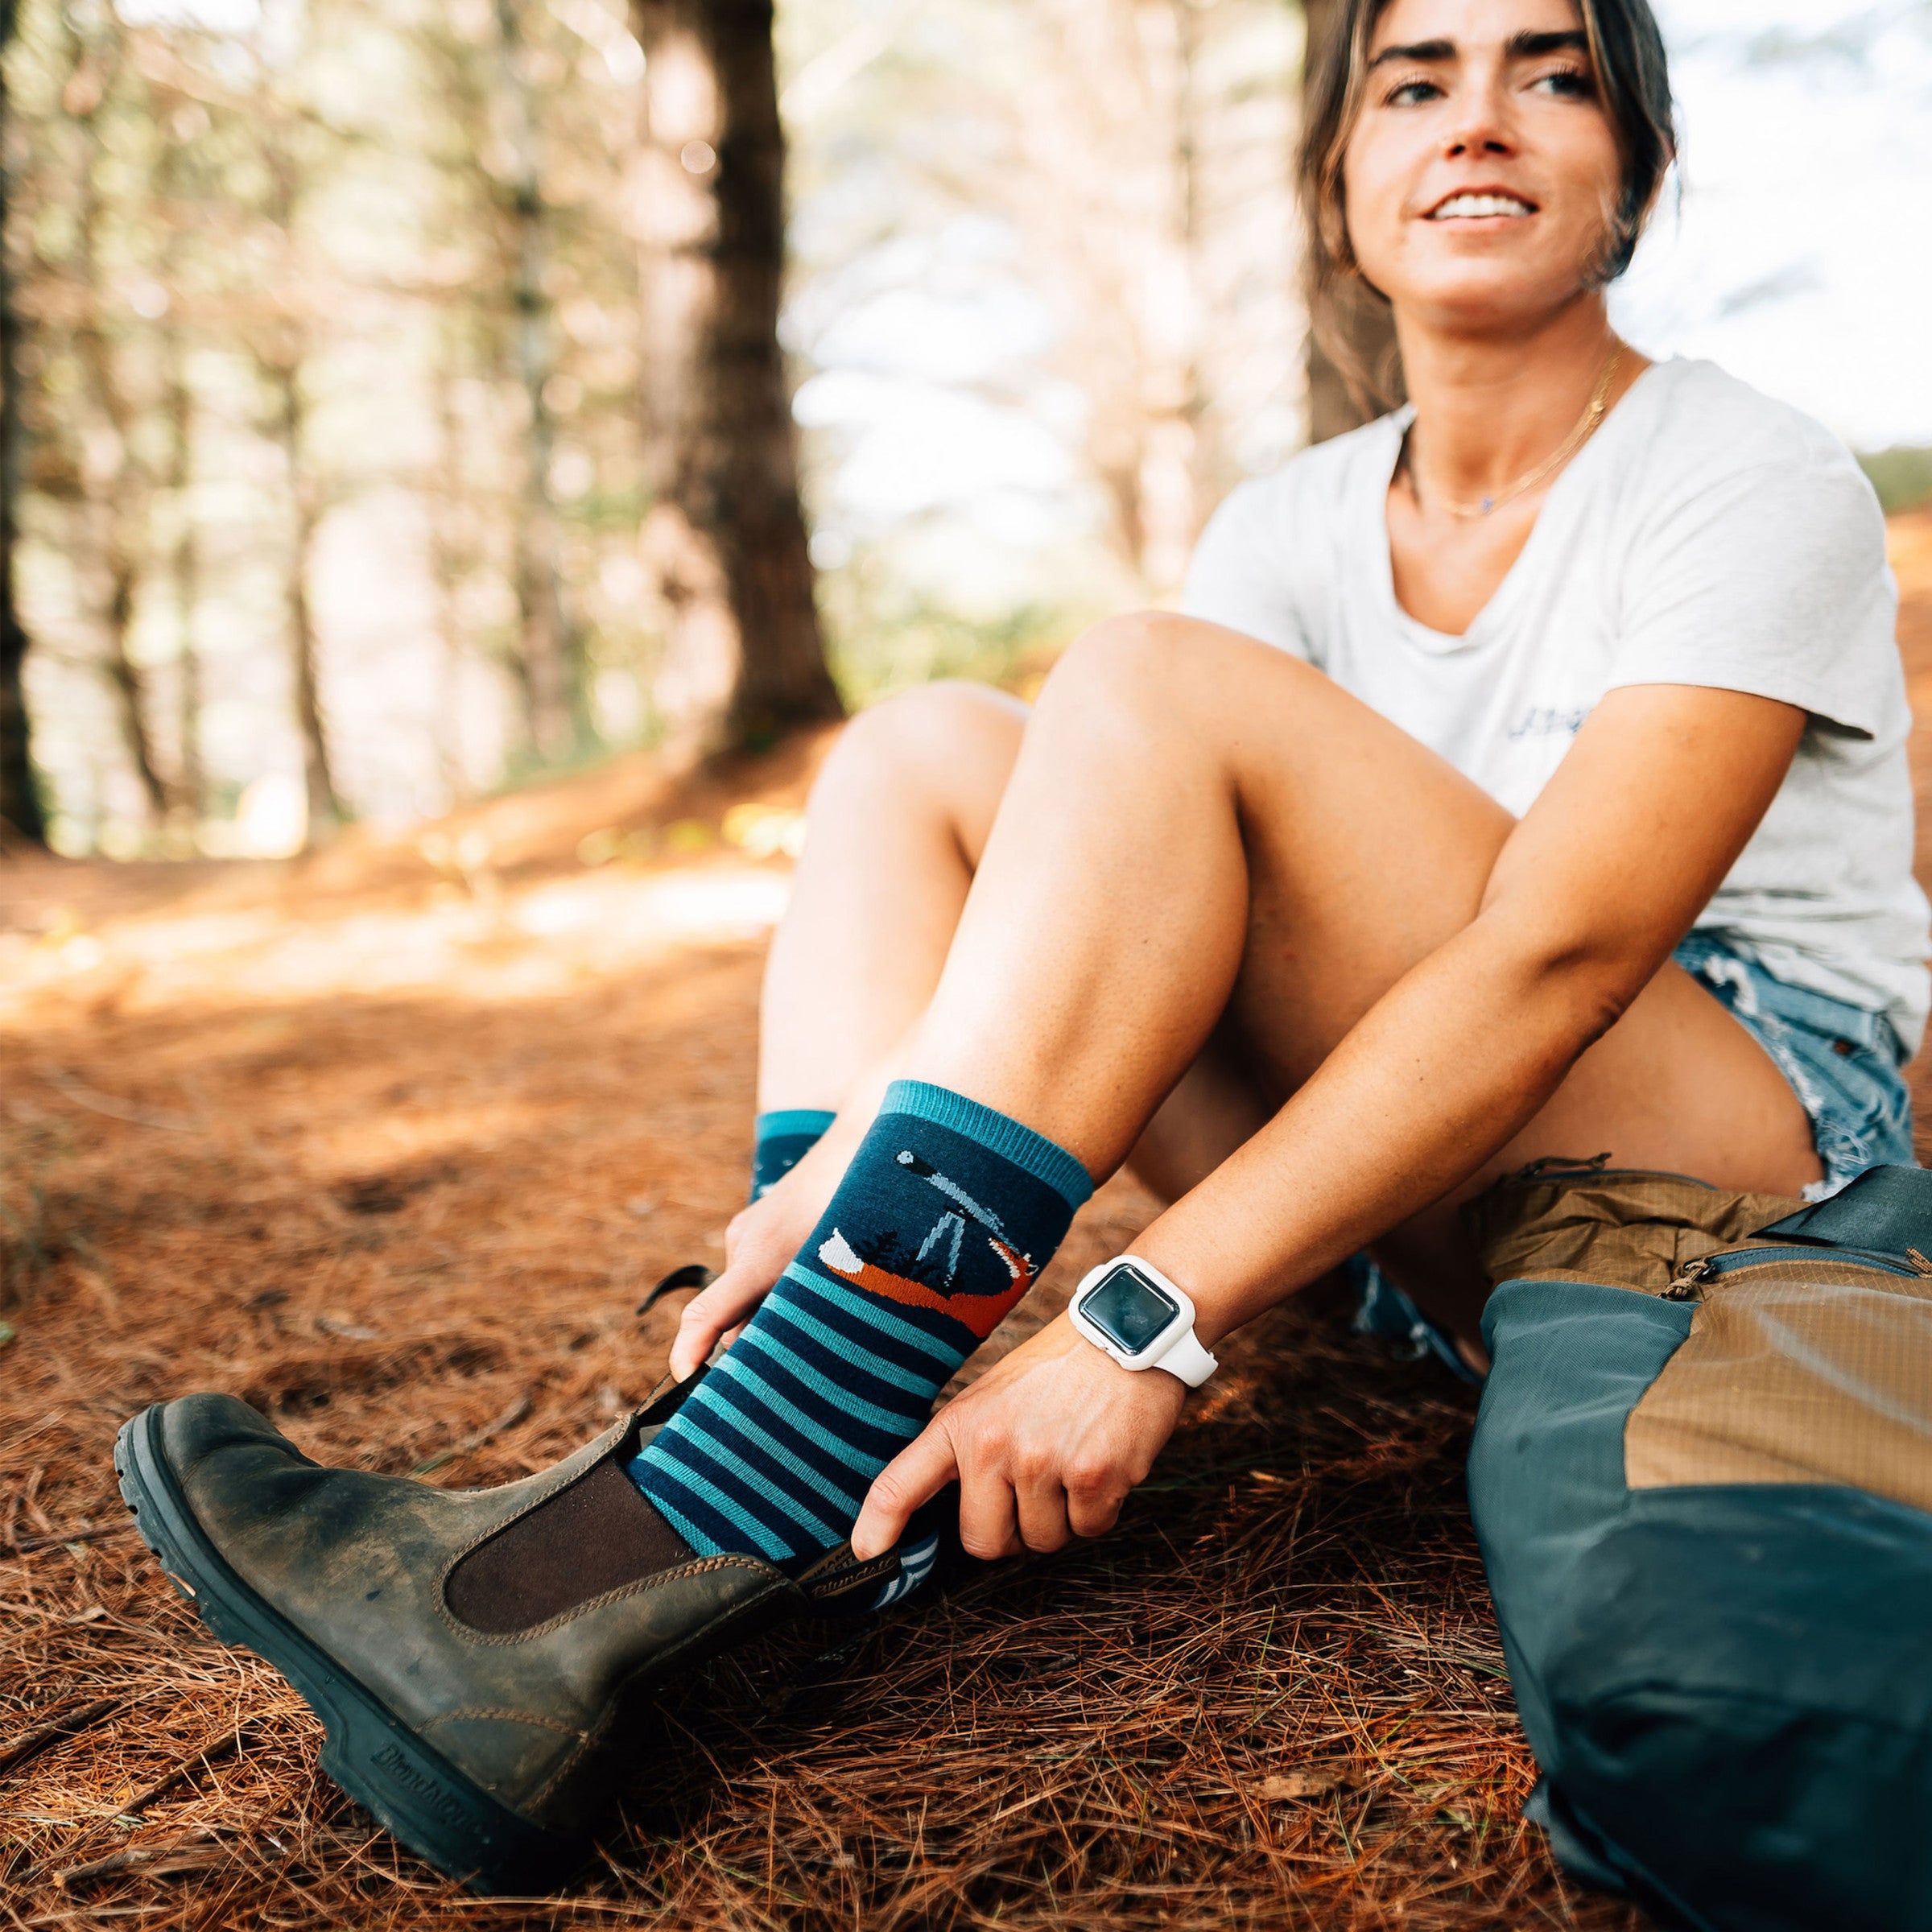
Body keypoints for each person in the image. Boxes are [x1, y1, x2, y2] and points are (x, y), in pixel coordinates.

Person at [114, 0, 1926, 1893]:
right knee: (923, 750)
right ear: (1335, 183)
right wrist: (833, 1176)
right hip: (1413, 1199)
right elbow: (1130, 903)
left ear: (1637, 163)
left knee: (1146, 683)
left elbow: (1563, 955)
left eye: (1552, 73)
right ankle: (780, 1425)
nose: (1479, 119)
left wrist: (1142, 1322)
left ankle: (667, 1526)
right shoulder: (1296, 524)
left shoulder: (1743, 471)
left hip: (1731, 1173)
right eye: (1415, 81)